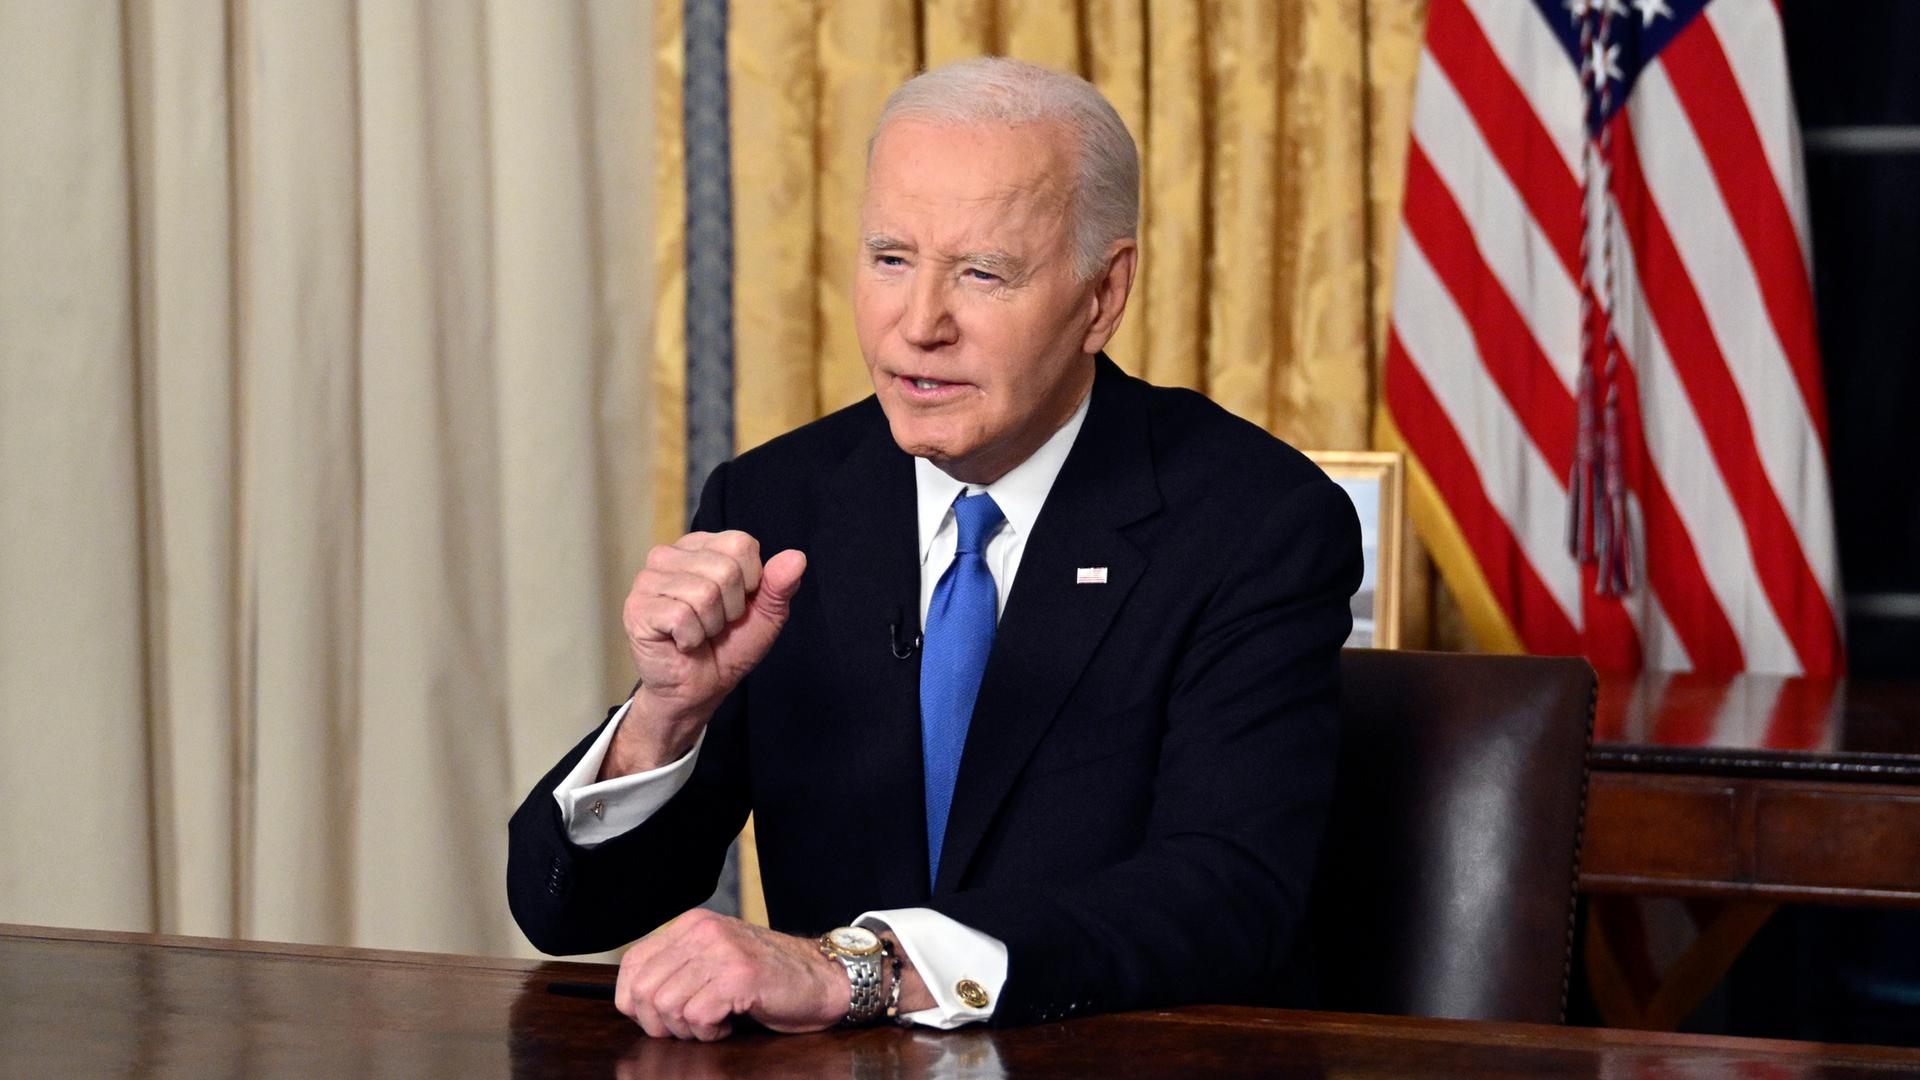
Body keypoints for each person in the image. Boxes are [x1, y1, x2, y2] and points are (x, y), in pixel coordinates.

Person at [507, 56, 1361, 1041]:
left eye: (982, 272)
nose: (919, 326)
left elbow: (1226, 893)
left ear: (1102, 294)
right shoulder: (778, 500)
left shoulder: (1253, 520)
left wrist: (863, 968)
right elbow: (571, 913)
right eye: (890, 259)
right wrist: (665, 718)